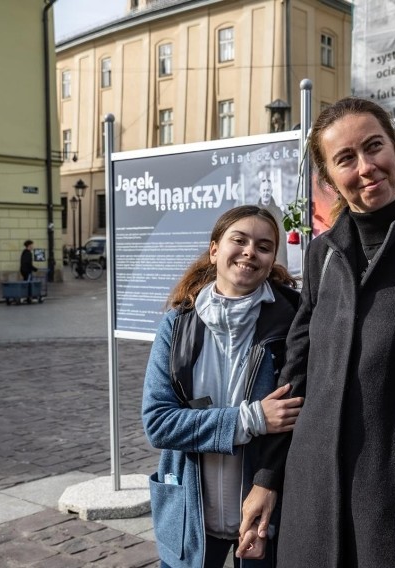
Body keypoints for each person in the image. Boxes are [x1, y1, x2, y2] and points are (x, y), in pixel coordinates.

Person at [238, 97, 395, 568]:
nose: (366, 167)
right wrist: (267, 477)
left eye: (374, 147)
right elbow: (296, 375)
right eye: (345, 159)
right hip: (312, 494)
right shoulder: (322, 255)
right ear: (330, 179)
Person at [142, 205, 304, 568]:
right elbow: (158, 422)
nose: (250, 251)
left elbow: (298, 419)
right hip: (191, 517)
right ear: (214, 249)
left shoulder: (290, 322)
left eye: (264, 246)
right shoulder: (177, 325)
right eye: (239, 240)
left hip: (264, 514)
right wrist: (251, 419)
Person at [257, 171, 288, 267]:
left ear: (271, 192)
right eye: (264, 190)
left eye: (268, 190)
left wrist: (282, 264)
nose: (266, 193)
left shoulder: (278, 211)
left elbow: (282, 237)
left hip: (277, 256)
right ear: (260, 192)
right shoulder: (254, 211)